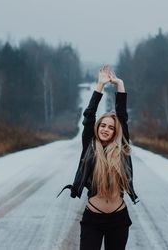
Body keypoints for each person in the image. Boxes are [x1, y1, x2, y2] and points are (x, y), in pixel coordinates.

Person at [58, 64, 139, 250]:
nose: (106, 129)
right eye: (103, 125)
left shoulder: (121, 149)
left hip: (119, 218)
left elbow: (122, 115)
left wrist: (120, 84)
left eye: (111, 127)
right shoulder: (90, 146)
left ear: (114, 132)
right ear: (98, 127)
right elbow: (89, 116)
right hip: (93, 218)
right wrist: (100, 86)